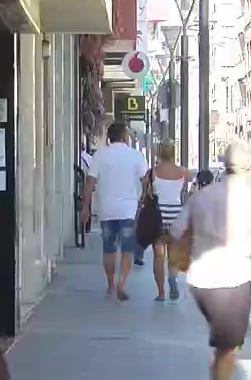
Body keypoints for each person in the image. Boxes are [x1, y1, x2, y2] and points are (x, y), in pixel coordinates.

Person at [172, 141, 251, 380]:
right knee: (227, 348)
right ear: (249, 168)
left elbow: (175, 230)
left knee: (224, 347)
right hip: (230, 280)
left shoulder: (202, 195)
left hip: (199, 281)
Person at [80, 122, 149, 301]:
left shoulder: (100, 156)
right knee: (127, 250)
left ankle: (110, 285)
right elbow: (146, 182)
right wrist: (142, 200)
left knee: (109, 249)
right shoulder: (136, 156)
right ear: (125, 137)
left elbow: (89, 183)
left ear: (109, 137)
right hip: (128, 210)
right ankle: (121, 283)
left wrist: (85, 207)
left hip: (106, 209)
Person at [143, 142, 191, 301]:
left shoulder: (152, 173)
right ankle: (173, 278)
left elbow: (145, 195)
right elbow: (186, 191)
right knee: (173, 254)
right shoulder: (183, 172)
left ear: (158, 154)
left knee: (158, 255)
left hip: (158, 215)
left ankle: (161, 292)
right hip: (176, 214)